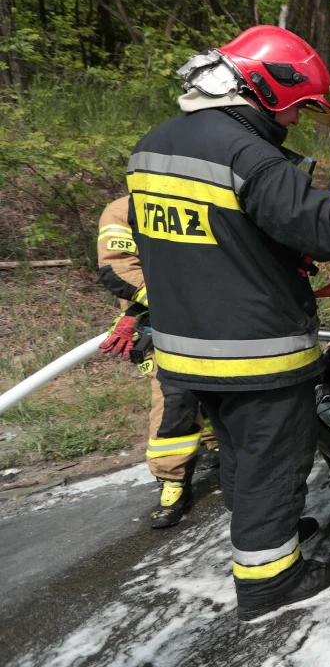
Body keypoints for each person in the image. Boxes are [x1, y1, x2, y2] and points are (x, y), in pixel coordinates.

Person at [126, 25, 330, 622]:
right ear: (264, 89)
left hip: (188, 351)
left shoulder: (152, 145)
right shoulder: (247, 153)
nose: (293, 122)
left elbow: (194, 240)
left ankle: (271, 533)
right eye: (294, 109)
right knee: (272, 461)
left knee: (240, 457)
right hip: (255, 351)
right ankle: (271, 582)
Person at [96, 195, 219, 528]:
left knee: (221, 388)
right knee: (174, 400)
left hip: (220, 318)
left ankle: (213, 446)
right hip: (166, 322)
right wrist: (175, 304)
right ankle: (173, 482)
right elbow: (117, 267)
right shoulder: (124, 209)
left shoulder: (201, 196)